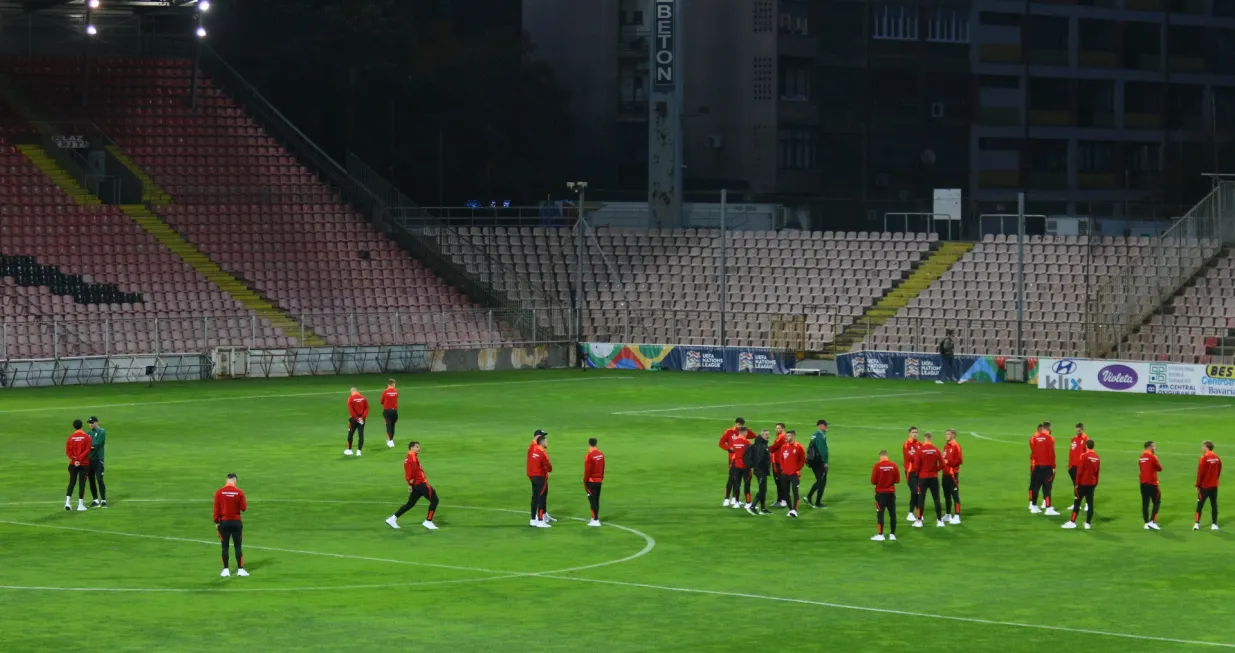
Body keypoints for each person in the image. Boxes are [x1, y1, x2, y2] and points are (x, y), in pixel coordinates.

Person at [386, 441, 439, 530]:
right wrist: (410, 484)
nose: (419, 448)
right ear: (411, 448)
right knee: (435, 500)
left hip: (416, 485)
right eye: (417, 447)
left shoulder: (409, 458)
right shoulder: (412, 458)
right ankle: (428, 521)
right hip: (421, 484)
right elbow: (411, 473)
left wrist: (410, 485)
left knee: (410, 504)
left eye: (419, 447)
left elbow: (409, 474)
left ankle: (392, 519)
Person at [213, 473, 249, 577]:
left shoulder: (219, 492)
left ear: (227, 480)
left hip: (224, 523)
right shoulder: (239, 492)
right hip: (236, 523)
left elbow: (216, 509)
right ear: (234, 480)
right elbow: (244, 508)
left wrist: (216, 522)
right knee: (238, 546)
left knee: (224, 547)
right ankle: (240, 570)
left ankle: (225, 570)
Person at [1063, 440, 1099, 530]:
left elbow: (1080, 471)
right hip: (1091, 484)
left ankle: (1072, 522)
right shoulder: (1097, 457)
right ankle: (1088, 523)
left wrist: (1076, 483)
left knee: (1077, 503)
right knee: (1090, 504)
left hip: (1082, 484)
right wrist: (1095, 483)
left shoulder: (1084, 456)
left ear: (1086, 446)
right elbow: (1097, 472)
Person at [913, 432, 946, 528]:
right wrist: (936, 470)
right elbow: (943, 464)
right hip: (934, 478)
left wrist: (919, 473)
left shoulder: (920, 450)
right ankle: (939, 521)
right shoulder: (936, 450)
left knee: (921, 499)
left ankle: (919, 521)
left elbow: (916, 467)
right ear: (931, 438)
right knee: (936, 499)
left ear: (924, 439)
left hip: (923, 478)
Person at [1029, 423, 1059, 515]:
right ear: (1049, 428)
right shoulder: (1050, 438)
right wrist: (1053, 466)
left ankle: (1033, 506)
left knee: (1036, 486)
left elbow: (1033, 452)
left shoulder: (1035, 438)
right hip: (1047, 466)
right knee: (1047, 487)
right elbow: (1051, 454)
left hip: (1037, 465)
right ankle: (1048, 508)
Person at [870, 450, 900, 542]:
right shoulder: (894, 465)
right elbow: (897, 480)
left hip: (881, 495)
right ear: (887, 456)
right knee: (892, 514)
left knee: (880, 514)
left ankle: (880, 535)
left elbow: (873, 481)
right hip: (891, 494)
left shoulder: (877, 466)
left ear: (881, 456)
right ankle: (892, 534)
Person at [777, 430, 807, 518]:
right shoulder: (783, 447)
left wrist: (797, 469)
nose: (787, 437)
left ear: (793, 436)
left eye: (789, 436)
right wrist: (783, 469)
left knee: (795, 491)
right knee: (786, 492)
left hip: (794, 474)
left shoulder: (799, 447)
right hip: (785, 474)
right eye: (786, 436)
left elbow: (802, 460)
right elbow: (781, 459)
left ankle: (795, 510)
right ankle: (790, 509)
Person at [64, 420, 92, 512]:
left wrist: (75, 460)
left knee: (72, 482)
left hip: (73, 464)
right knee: (82, 483)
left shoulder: (70, 438)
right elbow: (88, 450)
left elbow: (68, 452)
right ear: (82, 426)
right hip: (84, 463)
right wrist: (79, 459)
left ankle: (67, 503)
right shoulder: (86, 437)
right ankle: (80, 505)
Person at [1195, 440, 1222, 531]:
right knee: (1214, 504)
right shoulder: (1217, 457)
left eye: (1203, 446)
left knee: (1200, 505)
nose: (1202, 448)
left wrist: (1198, 485)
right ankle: (1214, 524)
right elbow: (1219, 470)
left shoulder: (1204, 458)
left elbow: (1200, 473)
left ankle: (1196, 524)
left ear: (1207, 447)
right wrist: (1215, 479)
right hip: (1214, 486)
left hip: (1204, 486)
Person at [527, 431, 552, 528]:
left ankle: (533, 519)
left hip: (533, 475)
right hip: (540, 476)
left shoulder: (533, 448)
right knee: (541, 497)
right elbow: (549, 467)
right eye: (544, 439)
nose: (546, 440)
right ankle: (541, 520)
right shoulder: (540, 451)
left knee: (535, 497)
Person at [719, 418, 746, 507]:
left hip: (741, 460)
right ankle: (726, 499)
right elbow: (721, 443)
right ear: (735, 424)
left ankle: (735, 499)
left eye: (741, 425)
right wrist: (729, 448)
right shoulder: (729, 432)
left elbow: (753, 435)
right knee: (731, 478)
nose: (739, 426)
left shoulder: (743, 433)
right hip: (732, 459)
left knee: (738, 480)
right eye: (738, 424)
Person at [744, 430, 772, 515]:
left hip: (761, 470)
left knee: (763, 489)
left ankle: (763, 508)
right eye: (766, 435)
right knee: (762, 490)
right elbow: (760, 459)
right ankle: (752, 507)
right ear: (762, 435)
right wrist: (763, 468)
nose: (768, 436)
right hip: (761, 470)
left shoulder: (762, 443)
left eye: (768, 434)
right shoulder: (761, 445)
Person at [805, 419, 829, 508]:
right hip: (819, 462)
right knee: (821, 481)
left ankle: (817, 502)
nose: (827, 427)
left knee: (821, 481)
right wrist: (825, 462)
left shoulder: (814, 435)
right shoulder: (820, 435)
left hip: (813, 461)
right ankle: (810, 497)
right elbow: (822, 450)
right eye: (825, 425)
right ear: (820, 426)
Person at [1139, 440, 1162, 530]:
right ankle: (1152, 522)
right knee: (1157, 502)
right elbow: (1159, 468)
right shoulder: (1152, 456)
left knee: (1145, 503)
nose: (1155, 448)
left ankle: (1146, 523)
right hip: (1152, 483)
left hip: (1143, 483)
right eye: (1153, 446)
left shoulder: (1141, 457)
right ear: (1149, 447)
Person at [728, 429, 754, 509]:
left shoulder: (734, 441)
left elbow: (733, 451)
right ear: (744, 432)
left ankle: (736, 503)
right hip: (745, 467)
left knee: (736, 484)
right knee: (747, 484)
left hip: (736, 466)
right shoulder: (747, 442)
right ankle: (748, 503)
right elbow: (751, 454)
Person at [942, 429, 963, 524]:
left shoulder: (956, 446)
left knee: (955, 495)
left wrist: (948, 462)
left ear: (953, 435)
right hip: (945, 474)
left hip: (953, 474)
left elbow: (959, 460)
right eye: (946, 434)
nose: (946, 435)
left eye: (948, 434)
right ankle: (948, 514)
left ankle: (957, 516)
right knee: (946, 495)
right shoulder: (946, 446)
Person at [86, 416, 107, 508]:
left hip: (98, 459)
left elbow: (96, 445)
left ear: (97, 422)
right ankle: (95, 500)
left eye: (92, 422)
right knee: (91, 479)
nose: (90, 424)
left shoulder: (101, 432)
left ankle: (103, 500)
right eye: (89, 422)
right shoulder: (88, 434)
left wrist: (88, 447)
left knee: (99, 479)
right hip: (89, 459)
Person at [584, 437, 605, 527]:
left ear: (589, 444)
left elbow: (588, 470)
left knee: (592, 500)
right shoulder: (601, 454)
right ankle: (595, 517)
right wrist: (601, 477)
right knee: (596, 499)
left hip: (591, 481)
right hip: (599, 480)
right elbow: (603, 467)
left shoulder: (589, 455)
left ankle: (595, 520)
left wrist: (585, 480)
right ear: (596, 444)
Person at [1068, 423, 1089, 510]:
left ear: (1082, 429)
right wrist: (1070, 466)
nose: (1077, 432)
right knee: (1076, 486)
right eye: (1076, 430)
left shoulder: (1086, 439)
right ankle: (1076, 504)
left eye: (1079, 430)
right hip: (1073, 467)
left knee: (1084, 485)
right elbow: (1071, 453)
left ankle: (1088, 503)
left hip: (1081, 467)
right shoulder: (1073, 439)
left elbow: (1088, 454)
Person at [902, 427, 921, 522]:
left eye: (916, 432)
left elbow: (922, 456)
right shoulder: (906, 444)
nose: (915, 434)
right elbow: (909, 456)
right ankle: (910, 513)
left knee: (918, 491)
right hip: (910, 472)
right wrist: (918, 456)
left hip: (919, 472)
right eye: (913, 432)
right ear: (909, 433)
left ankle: (918, 513)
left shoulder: (919, 444)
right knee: (915, 491)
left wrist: (916, 455)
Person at [344, 387, 369, 456]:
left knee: (350, 433)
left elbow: (351, 411)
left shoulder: (350, 399)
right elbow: (367, 408)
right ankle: (359, 451)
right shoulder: (363, 398)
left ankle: (349, 450)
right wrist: (362, 417)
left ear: (351, 392)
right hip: (362, 419)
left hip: (354, 419)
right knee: (361, 434)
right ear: (357, 391)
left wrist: (357, 418)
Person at [769, 423, 788, 507]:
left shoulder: (781, 437)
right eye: (776, 428)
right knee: (780, 482)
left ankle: (782, 501)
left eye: (779, 428)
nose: (776, 430)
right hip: (778, 462)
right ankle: (781, 500)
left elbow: (773, 448)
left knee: (779, 482)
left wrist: (764, 448)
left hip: (778, 463)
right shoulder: (782, 436)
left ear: (783, 429)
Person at [381, 379, 399, 448]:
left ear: (388, 385)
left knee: (388, 425)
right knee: (392, 426)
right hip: (394, 411)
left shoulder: (385, 392)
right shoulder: (396, 392)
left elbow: (381, 401)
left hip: (387, 411)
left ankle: (390, 441)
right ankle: (391, 440)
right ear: (393, 384)